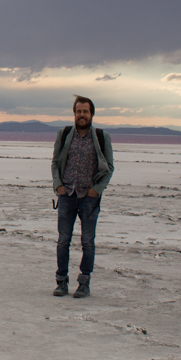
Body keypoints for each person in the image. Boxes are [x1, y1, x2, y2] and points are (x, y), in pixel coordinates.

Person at [51, 95, 114, 298]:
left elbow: (109, 167)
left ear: (92, 114)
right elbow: (55, 163)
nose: (82, 115)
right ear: (74, 113)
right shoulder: (64, 134)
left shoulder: (102, 137)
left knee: (87, 242)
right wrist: (58, 186)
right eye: (79, 111)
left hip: (89, 197)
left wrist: (97, 189)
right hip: (67, 194)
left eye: (85, 111)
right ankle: (61, 282)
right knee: (63, 241)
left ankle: (84, 283)